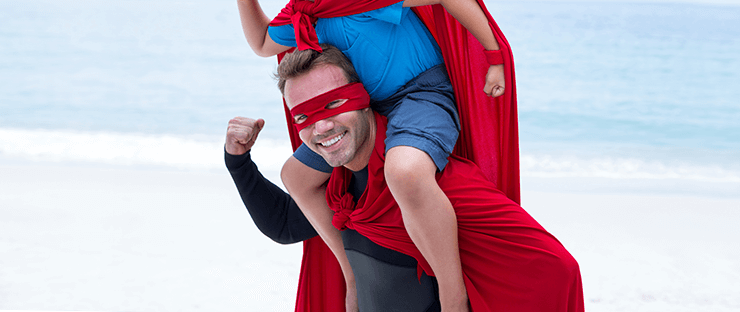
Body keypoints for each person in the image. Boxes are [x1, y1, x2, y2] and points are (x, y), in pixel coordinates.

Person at [222, 0, 517, 312]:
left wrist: (494, 58)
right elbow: (262, 42)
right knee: (297, 176)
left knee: (406, 170)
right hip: (368, 110)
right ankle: (351, 274)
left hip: (420, 94)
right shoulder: (303, 12)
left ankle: (454, 295)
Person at [224, 45, 584, 312]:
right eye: (303, 116)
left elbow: (556, 270)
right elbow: (285, 225)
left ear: (364, 99)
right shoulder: (332, 185)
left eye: (333, 104)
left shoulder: (427, 183)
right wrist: (238, 163)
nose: (321, 126)